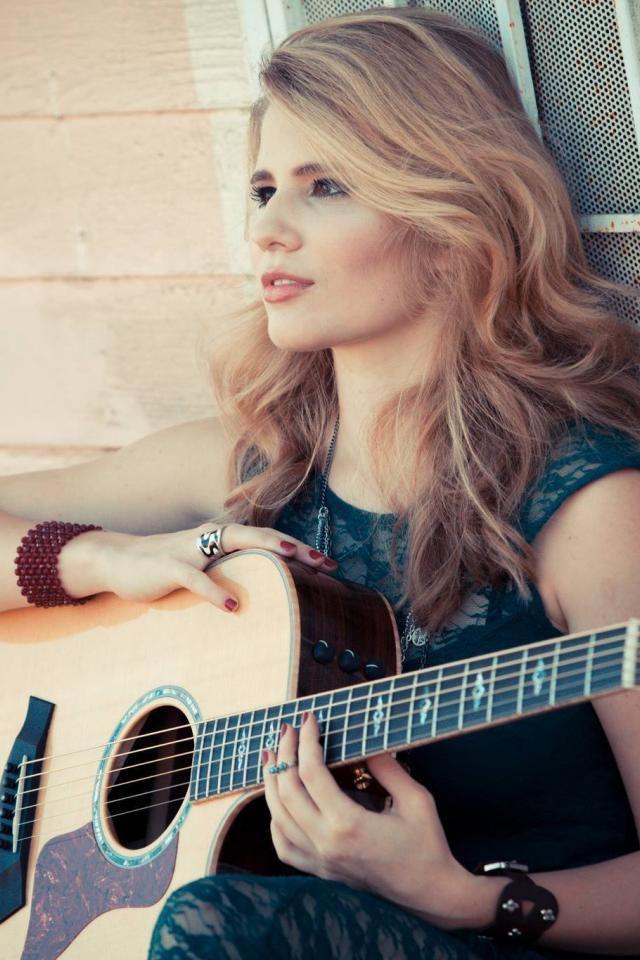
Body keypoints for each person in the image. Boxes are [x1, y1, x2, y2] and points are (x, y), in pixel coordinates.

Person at [2, 6, 640, 959]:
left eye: (325, 187)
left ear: (450, 221)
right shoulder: (251, 464)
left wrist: (464, 898)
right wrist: (103, 560)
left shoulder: (586, 510)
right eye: (263, 189)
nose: (267, 229)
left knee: (216, 923)